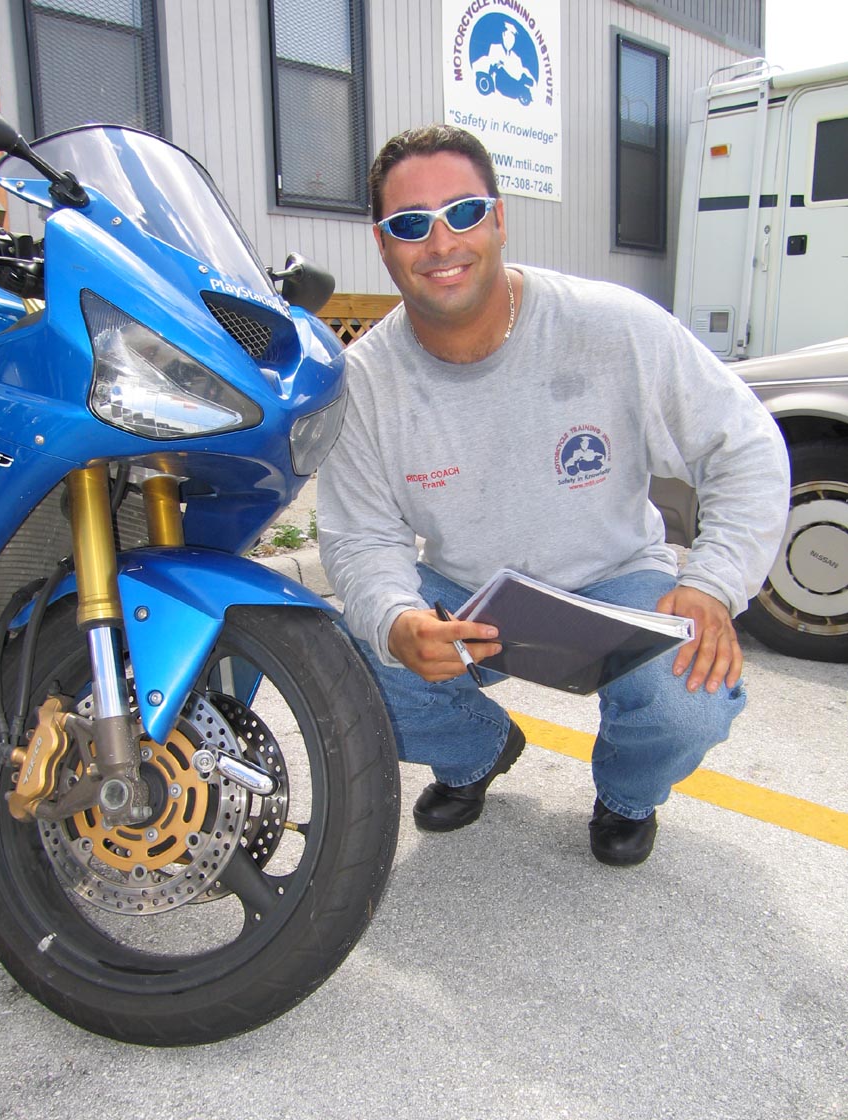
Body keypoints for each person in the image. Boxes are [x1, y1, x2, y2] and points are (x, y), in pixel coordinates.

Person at [317, 124, 790, 867]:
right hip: (469, 596)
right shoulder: (364, 382)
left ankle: (627, 794)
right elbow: (359, 535)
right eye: (410, 224)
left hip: (617, 580)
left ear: (499, 219)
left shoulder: (613, 326)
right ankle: (476, 751)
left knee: (690, 696)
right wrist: (398, 620)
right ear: (382, 244)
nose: (440, 243)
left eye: (463, 213)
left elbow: (747, 446)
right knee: (343, 668)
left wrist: (713, 582)